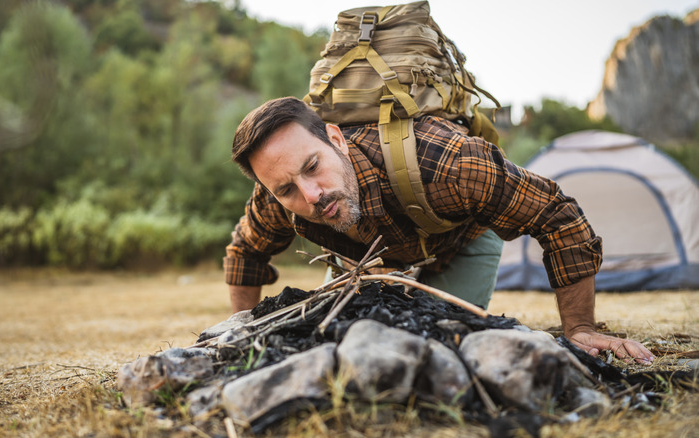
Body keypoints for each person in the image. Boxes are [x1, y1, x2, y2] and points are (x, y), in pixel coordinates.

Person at [224, 96, 654, 364]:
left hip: (458, 242)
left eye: (312, 166)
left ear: (335, 138)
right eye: (287, 189)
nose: (312, 195)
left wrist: (579, 328)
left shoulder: (448, 164)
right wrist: (240, 330)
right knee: (335, 344)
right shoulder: (277, 197)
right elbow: (245, 252)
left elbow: (557, 216)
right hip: (362, 262)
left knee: (442, 345)